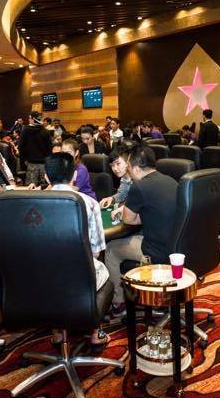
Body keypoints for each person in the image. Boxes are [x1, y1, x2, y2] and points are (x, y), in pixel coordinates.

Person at [44, 152, 111, 346]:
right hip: (79, 277)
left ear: (46, 177)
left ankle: (58, 332)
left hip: (39, 278)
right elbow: (96, 252)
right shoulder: (89, 203)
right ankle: (95, 332)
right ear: (74, 175)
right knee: (102, 268)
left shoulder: (26, 203)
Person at [104, 144, 178, 312]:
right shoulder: (171, 180)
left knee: (111, 249)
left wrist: (137, 215)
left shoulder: (139, 186)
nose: (128, 171)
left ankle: (119, 303)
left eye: (129, 168)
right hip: (177, 246)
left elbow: (128, 220)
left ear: (136, 169)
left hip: (157, 250)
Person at [99, 141, 135, 215]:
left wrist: (125, 208)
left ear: (128, 161)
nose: (115, 169)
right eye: (112, 165)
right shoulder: (124, 178)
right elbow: (122, 194)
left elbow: (140, 201)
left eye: (118, 163)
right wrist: (112, 198)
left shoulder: (138, 178)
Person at [19, 111, 52, 186]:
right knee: (44, 188)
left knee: (31, 188)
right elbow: (49, 149)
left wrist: (24, 161)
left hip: (31, 164)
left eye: (29, 118)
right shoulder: (46, 132)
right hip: (44, 165)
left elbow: (21, 147)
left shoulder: (25, 130)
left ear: (33, 119)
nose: (29, 120)